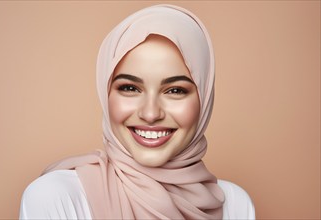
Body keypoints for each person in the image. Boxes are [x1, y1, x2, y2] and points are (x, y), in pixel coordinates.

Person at [20, 4, 255, 219]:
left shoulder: (234, 204)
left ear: (203, 98)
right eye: (130, 88)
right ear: (106, 93)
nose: (150, 113)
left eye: (174, 90)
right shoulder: (56, 198)